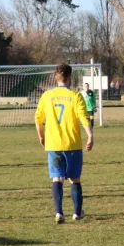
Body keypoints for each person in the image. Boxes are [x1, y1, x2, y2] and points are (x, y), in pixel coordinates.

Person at [35, 63, 94, 224]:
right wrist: (90, 135)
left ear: (56, 77)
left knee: (57, 178)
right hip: (72, 144)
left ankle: (59, 213)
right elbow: (83, 117)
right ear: (70, 77)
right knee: (74, 179)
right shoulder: (75, 96)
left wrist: (41, 136)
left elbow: (38, 118)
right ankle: (77, 213)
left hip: (53, 144)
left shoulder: (47, 96)